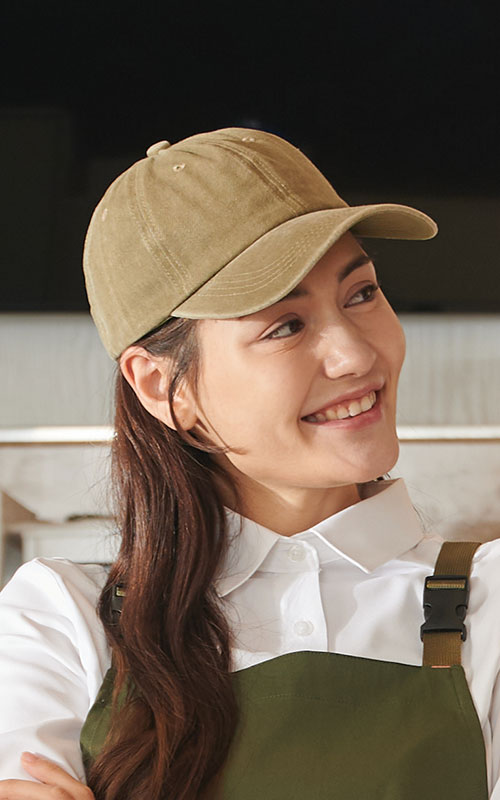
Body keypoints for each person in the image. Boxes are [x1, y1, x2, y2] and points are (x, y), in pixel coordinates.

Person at [0, 127, 499, 800]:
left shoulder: (492, 599)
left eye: (361, 293)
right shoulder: (62, 618)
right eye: (285, 326)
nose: (356, 355)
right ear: (162, 387)